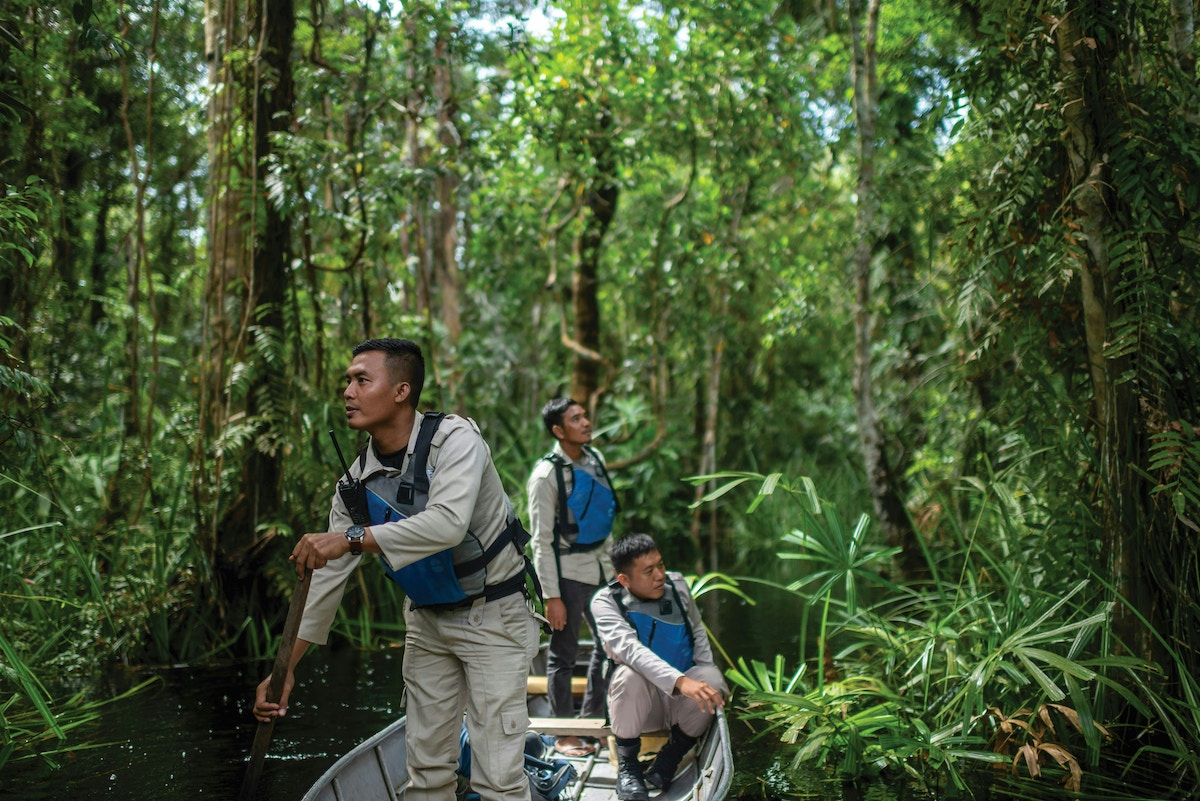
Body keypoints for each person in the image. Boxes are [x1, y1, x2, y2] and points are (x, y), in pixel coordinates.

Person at [252, 338, 542, 801]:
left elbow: (448, 524)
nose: (348, 391)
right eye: (347, 381)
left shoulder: (455, 440)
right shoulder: (355, 483)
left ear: (402, 391)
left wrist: (350, 539)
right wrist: (286, 668)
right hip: (426, 620)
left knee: (499, 779)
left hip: (493, 614)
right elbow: (328, 577)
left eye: (362, 380)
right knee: (426, 775)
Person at [590, 534, 727, 801]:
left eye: (661, 565)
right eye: (649, 571)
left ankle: (670, 759)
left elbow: (697, 631)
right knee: (629, 676)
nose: (660, 575)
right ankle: (629, 771)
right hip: (640, 710)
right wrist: (680, 681)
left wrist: (699, 681)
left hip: (680, 705)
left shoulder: (677, 585)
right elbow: (631, 650)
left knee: (712, 678)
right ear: (624, 580)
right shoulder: (605, 601)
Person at [525, 398, 617, 756]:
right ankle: (564, 734)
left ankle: (593, 722)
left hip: (603, 569)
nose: (586, 422)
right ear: (558, 431)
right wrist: (551, 596)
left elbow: (603, 519)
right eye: (576, 419)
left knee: (610, 645)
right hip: (567, 574)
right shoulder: (545, 477)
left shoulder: (597, 462)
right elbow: (541, 541)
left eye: (585, 416)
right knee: (563, 654)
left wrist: (615, 572)